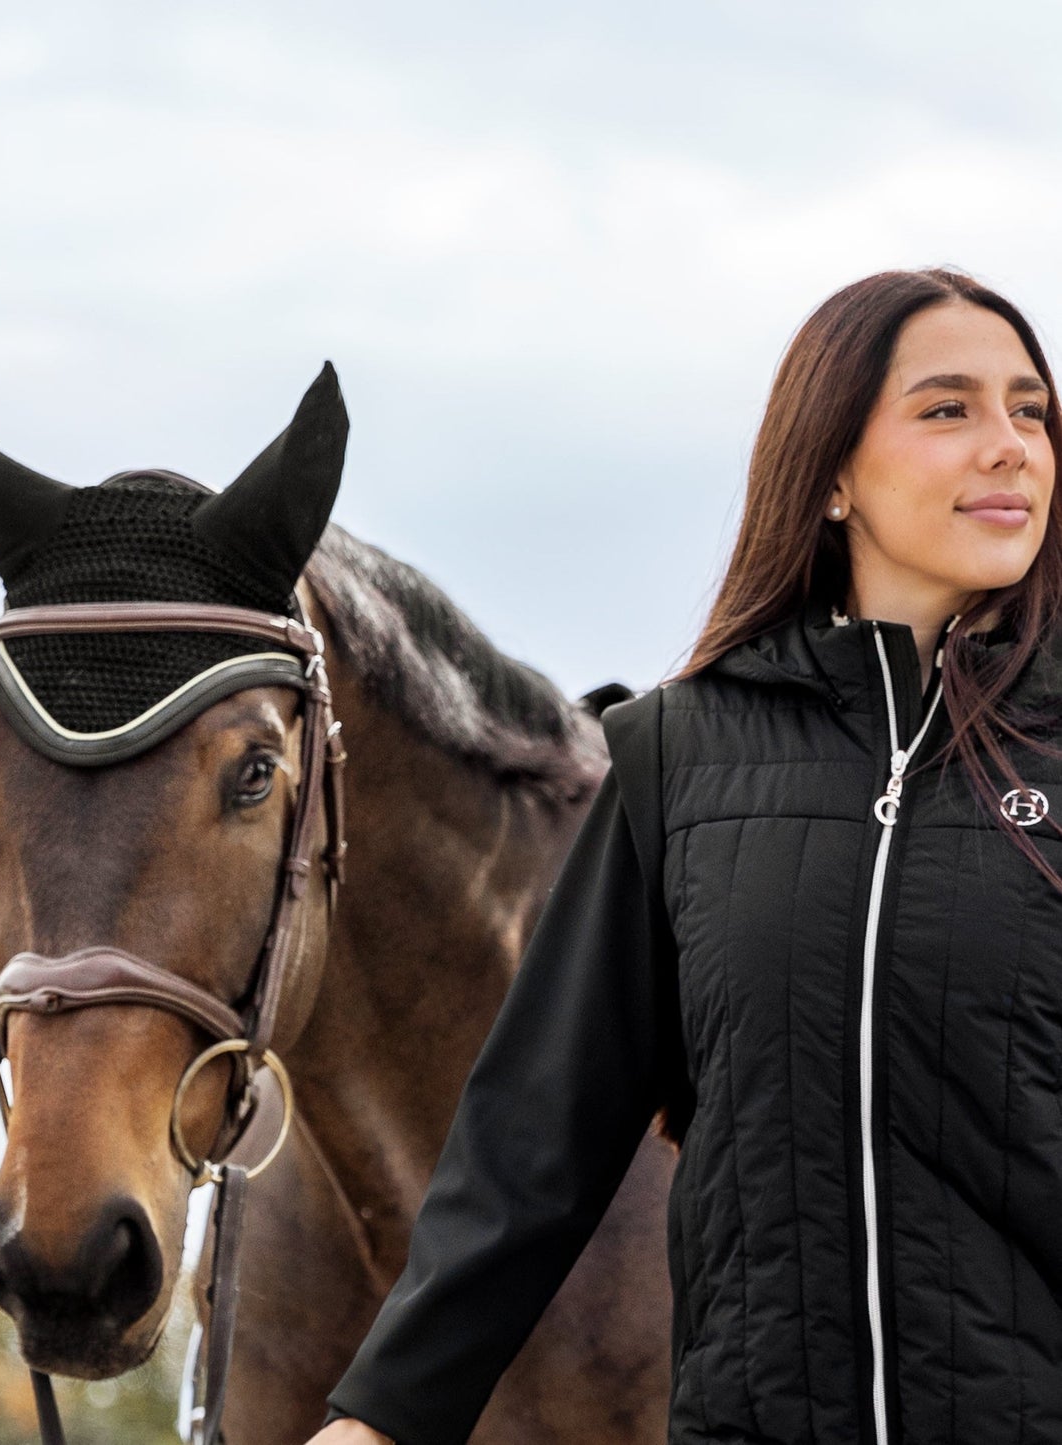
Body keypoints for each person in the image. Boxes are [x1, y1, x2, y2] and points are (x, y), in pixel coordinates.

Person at [306, 267, 1062, 1445]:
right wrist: (382, 1419)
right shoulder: (676, 755)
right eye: (946, 408)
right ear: (827, 476)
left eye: (1030, 410)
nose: (1008, 444)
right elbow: (534, 1140)